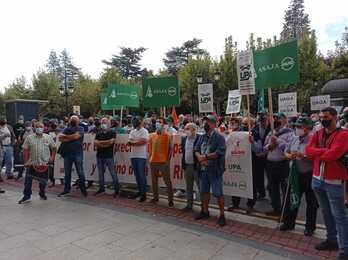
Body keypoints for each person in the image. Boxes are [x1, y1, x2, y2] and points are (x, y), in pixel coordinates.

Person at [306, 107, 348, 259]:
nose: (323, 119)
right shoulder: (318, 133)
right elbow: (308, 151)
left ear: (335, 117)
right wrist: (322, 151)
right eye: (321, 116)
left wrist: (318, 151)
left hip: (334, 181)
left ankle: (345, 249)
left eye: (326, 117)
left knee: (339, 216)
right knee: (326, 212)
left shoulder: (343, 134)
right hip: (317, 179)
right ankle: (331, 240)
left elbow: (333, 155)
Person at [280, 117, 319, 236]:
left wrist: (304, 155)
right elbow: (286, 152)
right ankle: (289, 223)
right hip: (295, 174)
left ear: (308, 128)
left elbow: (317, 156)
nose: (297, 129)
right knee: (292, 199)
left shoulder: (314, 139)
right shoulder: (294, 138)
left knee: (311, 202)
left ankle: (310, 227)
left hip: (309, 174)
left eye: (300, 127)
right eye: (296, 127)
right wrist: (289, 156)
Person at [194, 115, 226, 227]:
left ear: (213, 124)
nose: (205, 124)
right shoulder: (202, 137)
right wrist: (199, 157)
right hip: (203, 170)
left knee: (218, 193)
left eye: (207, 122)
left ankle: (222, 215)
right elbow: (196, 149)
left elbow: (219, 152)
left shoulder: (219, 137)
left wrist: (205, 157)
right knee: (204, 192)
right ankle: (205, 211)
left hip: (215, 170)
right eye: (204, 122)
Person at [263, 113, 294, 216]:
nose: (276, 120)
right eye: (274, 118)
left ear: (284, 120)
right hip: (270, 164)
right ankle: (276, 208)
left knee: (285, 189)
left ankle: (286, 212)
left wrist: (278, 141)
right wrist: (270, 146)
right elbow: (264, 148)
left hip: (283, 164)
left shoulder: (290, 133)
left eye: (278, 118)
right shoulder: (270, 133)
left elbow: (289, 149)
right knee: (272, 188)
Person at [18, 122, 56, 204]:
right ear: (34, 128)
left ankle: (42, 193)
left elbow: (54, 148)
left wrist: (52, 157)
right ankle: (27, 196)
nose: (39, 128)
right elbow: (25, 150)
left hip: (44, 164)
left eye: (41, 127)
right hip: (32, 163)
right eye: (37, 127)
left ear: (44, 128)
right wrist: (26, 161)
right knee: (28, 181)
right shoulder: (29, 138)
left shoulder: (48, 137)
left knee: (43, 181)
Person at [58, 115, 87, 197]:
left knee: (80, 172)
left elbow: (76, 136)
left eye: (74, 119)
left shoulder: (81, 128)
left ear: (78, 121)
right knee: (67, 173)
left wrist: (66, 138)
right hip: (67, 154)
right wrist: (72, 137)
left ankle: (83, 189)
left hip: (77, 153)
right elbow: (60, 138)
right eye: (72, 119)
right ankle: (66, 190)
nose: (73, 121)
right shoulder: (67, 128)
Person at [148, 118, 174, 207]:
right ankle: (155, 197)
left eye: (160, 122)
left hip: (163, 162)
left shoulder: (168, 136)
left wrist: (167, 160)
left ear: (164, 125)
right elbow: (150, 148)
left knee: (167, 181)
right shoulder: (152, 136)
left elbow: (171, 149)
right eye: (158, 122)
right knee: (154, 181)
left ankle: (170, 200)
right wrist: (150, 157)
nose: (158, 124)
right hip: (153, 161)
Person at [94, 118, 119, 197]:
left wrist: (101, 143)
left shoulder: (112, 132)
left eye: (105, 122)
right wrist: (106, 143)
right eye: (102, 122)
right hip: (99, 156)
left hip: (109, 156)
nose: (103, 124)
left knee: (113, 173)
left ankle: (116, 190)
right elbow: (95, 143)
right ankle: (101, 189)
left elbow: (112, 142)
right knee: (100, 174)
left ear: (109, 123)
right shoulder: (98, 133)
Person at [128, 116, 149, 202]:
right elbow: (129, 142)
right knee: (137, 176)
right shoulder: (132, 131)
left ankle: (143, 194)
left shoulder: (145, 131)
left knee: (141, 175)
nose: (134, 123)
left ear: (140, 122)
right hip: (133, 155)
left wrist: (134, 142)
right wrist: (136, 142)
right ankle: (140, 191)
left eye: (136, 121)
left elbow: (143, 142)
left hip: (141, 156)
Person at [181, 123, 200, 211]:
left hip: (196, 167)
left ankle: (204, 206)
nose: (186, 130)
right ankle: (189, 205)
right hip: (187, 166)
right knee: (189, 186)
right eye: (185, 129)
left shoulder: (200, 138)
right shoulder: (184, 139)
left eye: (188, 129)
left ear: (194, 130)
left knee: (201, 187)